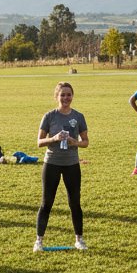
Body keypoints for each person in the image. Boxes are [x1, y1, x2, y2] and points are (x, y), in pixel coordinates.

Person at [34, 82, 89, 252]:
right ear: (56, 97)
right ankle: (39, 241)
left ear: (72, 96)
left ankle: (79, 239)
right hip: (51, 163)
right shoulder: (49, 116)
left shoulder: (79, 116)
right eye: (62, 95)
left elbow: (86, 142)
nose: (66, 98)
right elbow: (39, 142)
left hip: (72, 164)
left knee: (75, 203)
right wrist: (54, 138)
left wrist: (75, 142)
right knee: (46, 203)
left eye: (69, 95)